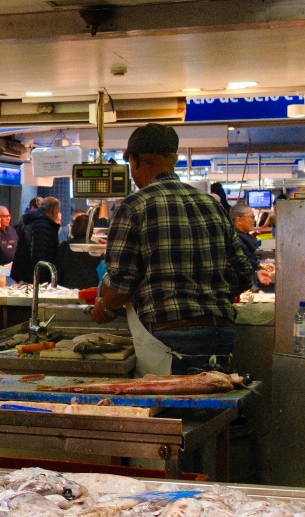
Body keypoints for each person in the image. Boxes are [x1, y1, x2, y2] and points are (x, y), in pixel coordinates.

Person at [89, 124, 252, 373]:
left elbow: (121, 287)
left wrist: (105, 307)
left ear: (134, 161)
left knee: (169, 409)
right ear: (173, 159)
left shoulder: (134, 206)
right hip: (220, 333)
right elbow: (243, 275)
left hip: (168, 338)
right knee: (212, 407)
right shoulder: (212, 205)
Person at [10, 196, 62, 285]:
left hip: (24, 273)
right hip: (32, 277)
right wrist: (43, 279)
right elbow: (38, 254)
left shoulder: (31, 219)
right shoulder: (42, 224)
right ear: (54, 210)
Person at [230, 204, 265, 292]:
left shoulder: (245, 238)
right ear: (239, 220)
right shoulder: (236, 241)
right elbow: (243, 269)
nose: (254, 221)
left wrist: (258, 272)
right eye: (252, 217)